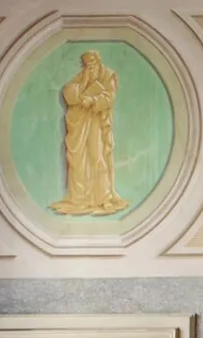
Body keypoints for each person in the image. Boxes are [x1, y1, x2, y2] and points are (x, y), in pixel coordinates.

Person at [50, 50, 130, 216]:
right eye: (86, 63)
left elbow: (109, 97)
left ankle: (104, 197)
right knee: (79, 159)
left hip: (97, 122)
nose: (89, 66)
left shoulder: (108, 75)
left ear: (98, 61)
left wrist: (93, 101)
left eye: (92, 62)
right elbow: (69, 92)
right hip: (81, 122)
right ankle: (79, 198)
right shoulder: (83, 76)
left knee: (97, 155)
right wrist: (83, 86)